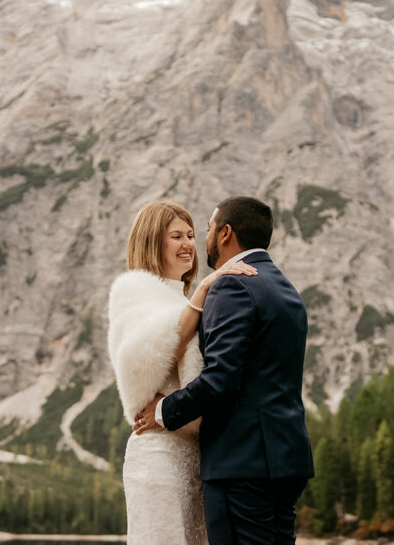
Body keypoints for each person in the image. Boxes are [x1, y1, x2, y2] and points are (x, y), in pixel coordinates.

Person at [135, 196, 315, 545]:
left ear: (225, 233)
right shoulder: (285, 289)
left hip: (242, 463)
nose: (202, 241)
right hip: (287, 458)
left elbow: (220, 380)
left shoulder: (231, 284)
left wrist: (161, 411)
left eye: (205, 230)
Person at [108, 200, 257, 545]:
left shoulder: (184, 299)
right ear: (151, 242)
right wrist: (204, 291)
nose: (189, 244)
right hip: (158, 456)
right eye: (176, 236)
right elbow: (146, 360)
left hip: (199, 458)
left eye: (191, 234)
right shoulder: (132, 290)